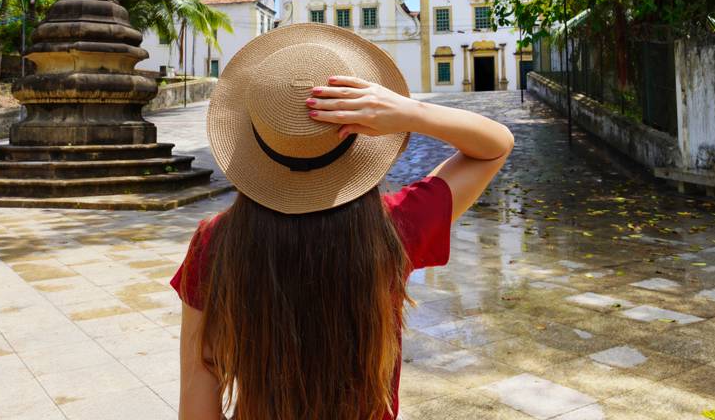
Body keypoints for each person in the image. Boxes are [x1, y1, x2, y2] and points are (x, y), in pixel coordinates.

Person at [172, 24, 515, 420]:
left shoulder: (215, 241)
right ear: (362, 138)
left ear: (254, 140)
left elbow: (200, 376)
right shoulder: (395, 226)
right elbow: (495, 146)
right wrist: (409, 112)